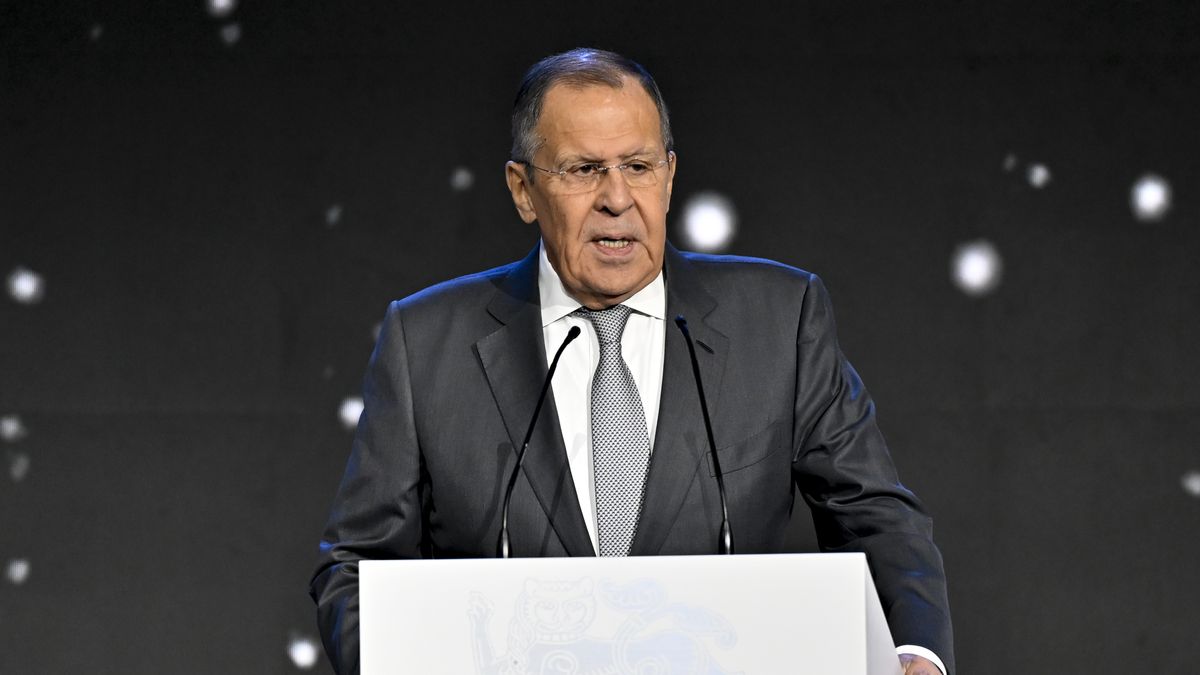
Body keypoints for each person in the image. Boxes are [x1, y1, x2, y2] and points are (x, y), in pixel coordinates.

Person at [310, 48, 953, 675]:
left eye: (638, 166)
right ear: (523, 190)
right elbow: (357, 569)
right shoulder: (426, 342)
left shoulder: (780, 319)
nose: (617, 198)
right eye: (584, 170)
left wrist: (915, 654)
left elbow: (873, 514)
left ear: (670, 176)